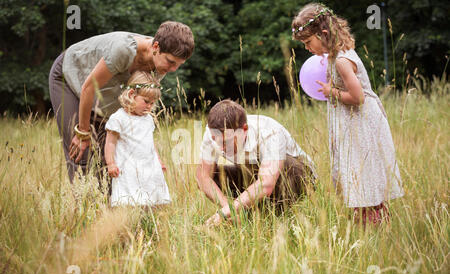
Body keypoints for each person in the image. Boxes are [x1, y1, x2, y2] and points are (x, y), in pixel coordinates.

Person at [291, 3, 404, 226]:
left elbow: (358, 97)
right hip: (353, 124)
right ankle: (367, 224)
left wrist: (330, 91)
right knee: (357, 178)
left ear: (323, 34)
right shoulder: (335, 57)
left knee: (364, 177)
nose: (307, 48)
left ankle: (374, 225)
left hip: (361, 126)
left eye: (308, 42)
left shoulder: (342, 60)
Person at [48, 21, 194, 184]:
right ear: (156, 47)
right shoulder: (123, 50)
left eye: (178, 65)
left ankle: (109, 208)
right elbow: (88, 88)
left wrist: (152, 155)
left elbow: (135, 106)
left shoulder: (159, 66)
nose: (173, 69)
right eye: (171, 62)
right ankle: (84, 206)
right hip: (69, 76)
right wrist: (83, 132)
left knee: (112, 158)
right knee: (82, 152)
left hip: (102, 93)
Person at [196, 99, 317, 227]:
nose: (220, 148)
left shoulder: (270, 131)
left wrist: (223, 213)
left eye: (227, 142)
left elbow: (266, 184)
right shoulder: (213, 132)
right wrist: (229, 209)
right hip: (253, 175)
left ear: (244, 129)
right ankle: (245, 217)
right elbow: (203, 177)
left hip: (298, 179)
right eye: (216, 140)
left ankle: (273, 217)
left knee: (286, 164)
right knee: (212, 174)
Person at [104, 71, 170, 207]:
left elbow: (151, 142)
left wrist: (158, 160)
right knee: (130, 199)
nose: (149, 106)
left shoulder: (148, 119)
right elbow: (110, 143)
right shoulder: (119, 118)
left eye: (152, 103)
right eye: (146, 102)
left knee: (151, 199)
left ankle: (149, 224)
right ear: (131, 94)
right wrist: (110, 163)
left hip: (149, 166)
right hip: (128, 167)